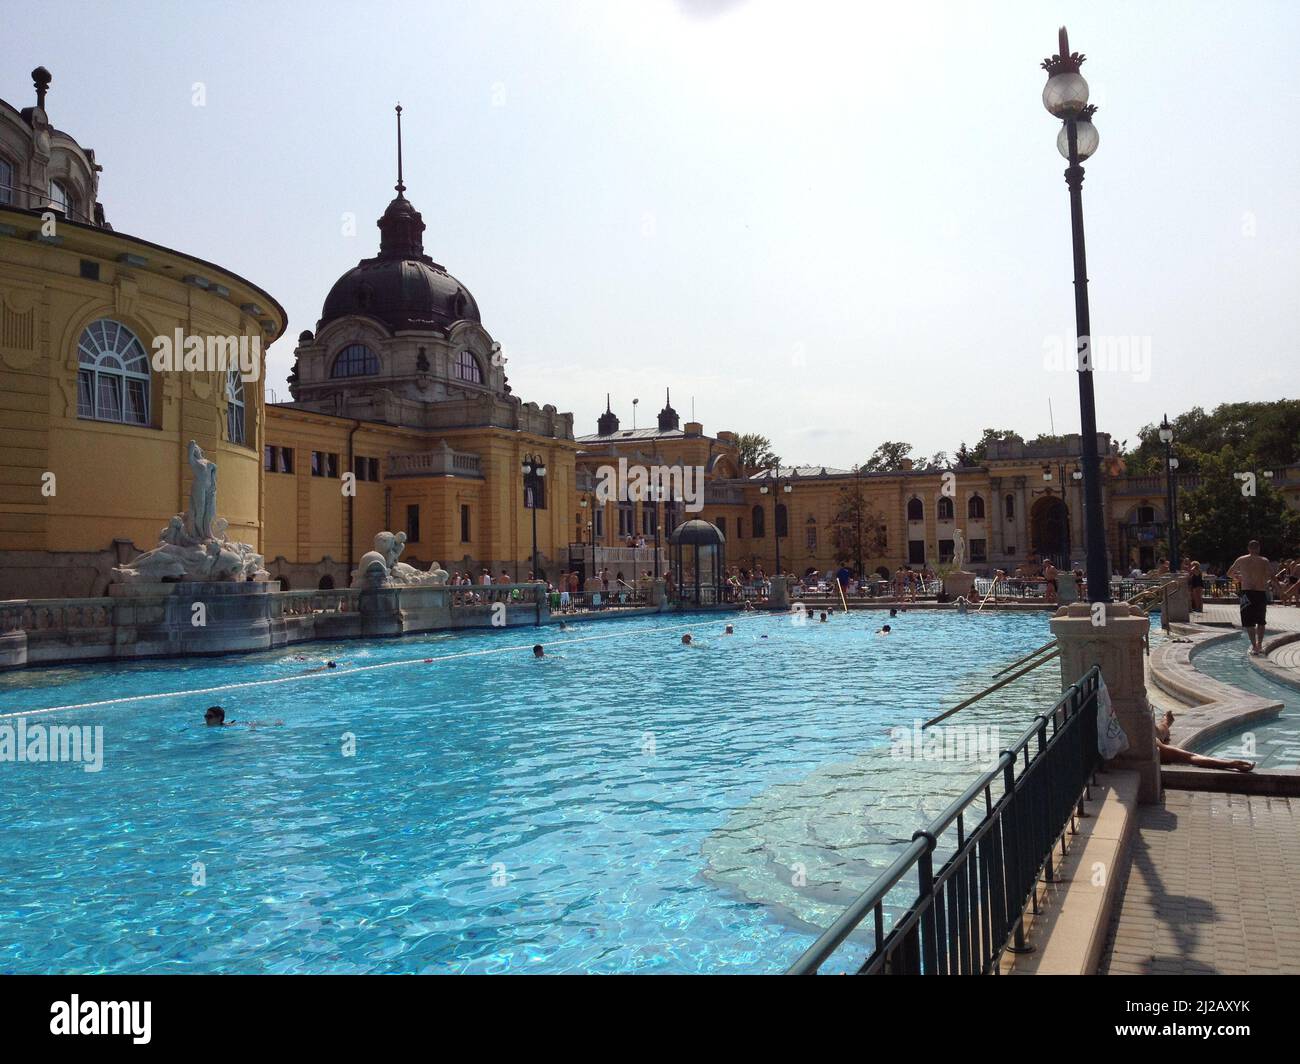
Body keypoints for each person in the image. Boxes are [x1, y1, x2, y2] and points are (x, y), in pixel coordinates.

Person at [1155, 710, 1253, 772]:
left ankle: (1166, 721)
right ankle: (1166, 721)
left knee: (1161, 730)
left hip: (1154, 734)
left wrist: (1231, 764)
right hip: (1154, 735)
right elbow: (1191, 757)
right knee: (1161, 731)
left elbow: (1191, 757)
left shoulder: (1155, 745)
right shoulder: (1155, 746)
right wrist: (1230, 764)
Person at [1228, 540, 1271, 655]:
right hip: (1260, 592)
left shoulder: (1241, 559)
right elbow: (1271, 576)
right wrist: (1281, 590)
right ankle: (1260, 645)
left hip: (1246, 592)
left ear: (1248, 548)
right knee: (1261, 620)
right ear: (1259, 548)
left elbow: (1229, 573)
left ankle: (1254, 646)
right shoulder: (1264, 560)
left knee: (1248, 621)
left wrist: (1239, 577)